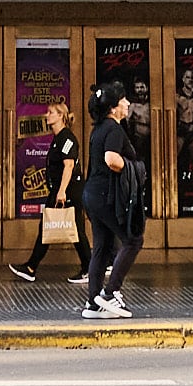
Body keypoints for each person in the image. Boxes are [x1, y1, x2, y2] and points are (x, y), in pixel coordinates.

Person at [78, 83, 144, 319]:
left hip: (92, 195)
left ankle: (93, 305)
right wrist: (134, 167)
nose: (128, 104)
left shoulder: (98, 129)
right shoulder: (114, 130)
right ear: (114, 108)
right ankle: (110, 293)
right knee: (133, 240)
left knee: (103, 246)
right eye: (124, 100)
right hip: (105, 195)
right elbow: (111, 159)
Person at [12, 102, 85, 283]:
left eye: (51, 112)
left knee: (75, 229)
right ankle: (31, 267)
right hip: (60, 189)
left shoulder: (67, 138)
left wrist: (61, 192)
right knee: (55, 227)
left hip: (67, 190)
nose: (47, 115)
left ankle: (88, 267)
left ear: (61, 116)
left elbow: (69, 165)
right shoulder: (57, 138)